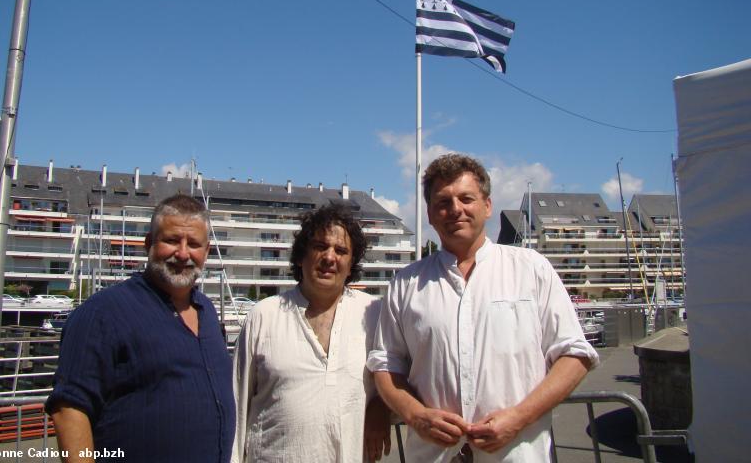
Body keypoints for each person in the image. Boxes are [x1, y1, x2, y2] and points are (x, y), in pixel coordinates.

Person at [367, 154, 599, 462]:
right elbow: (385, 365)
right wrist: (417, 416)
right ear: (430, 214)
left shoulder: (531, 269)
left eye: (466, 198)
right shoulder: (405, 283)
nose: (455, 210)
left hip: (517, 454)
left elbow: (574, 355)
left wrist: (519, 417)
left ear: (487, 206)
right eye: (443, 202)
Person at [46, 194, 235, 463]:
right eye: (171, 240)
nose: (182, 253)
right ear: (149, 244)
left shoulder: (206, 311)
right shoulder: (103, 313)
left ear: (206, 253)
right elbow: (69, 409)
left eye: (193, 244)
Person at [232, 203, 391, 462]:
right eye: (320, 246)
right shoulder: (264, 315)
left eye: (341, 251)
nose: (329, 257)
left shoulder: (373, 313)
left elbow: (399, 374)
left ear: (351, 265)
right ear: (300, 256)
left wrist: (382, 406)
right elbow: (236, 405)